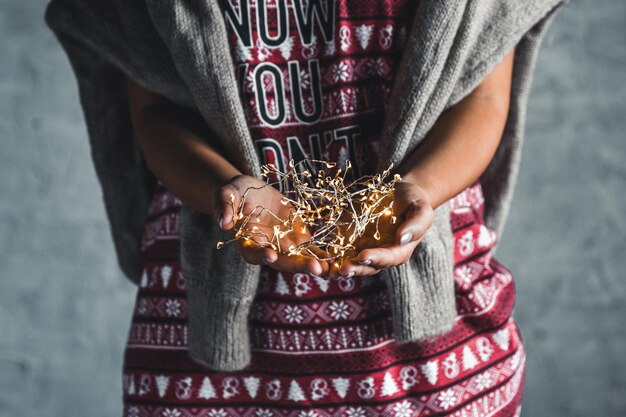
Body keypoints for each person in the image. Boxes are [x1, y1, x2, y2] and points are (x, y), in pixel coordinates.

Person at [123, 1, 522, 416]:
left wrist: (420, 187)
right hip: (206, 343)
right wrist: (225, 190)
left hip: (436, 346)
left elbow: (485, 95)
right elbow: (154, 109)